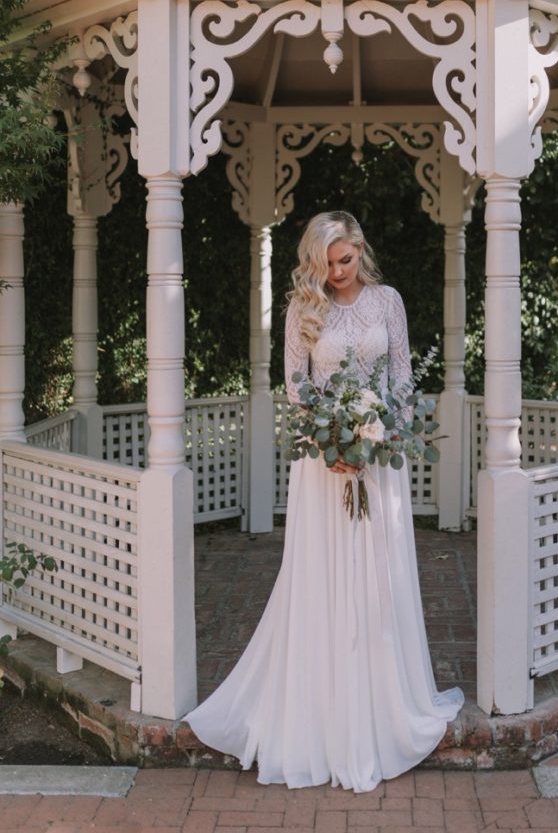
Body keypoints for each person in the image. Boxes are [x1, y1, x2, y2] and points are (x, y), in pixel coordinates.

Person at [184, 210, 463, 792]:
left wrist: (390, 433)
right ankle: (323, 710)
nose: (338, 272)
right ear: (315, 263)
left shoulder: (388, 301)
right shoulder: (302, 309)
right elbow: (296, 384)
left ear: (360, 249)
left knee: (376, 581)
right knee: (324, 578)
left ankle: (384, 703)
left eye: (346, 259)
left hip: (380, 466)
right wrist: (332, 440)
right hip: (324, 463)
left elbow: (403, 375)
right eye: (327, 263)